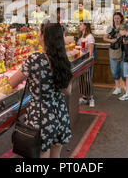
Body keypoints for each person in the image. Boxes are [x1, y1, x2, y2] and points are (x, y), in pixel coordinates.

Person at [9, 22, 72, 158]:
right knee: (56, 152)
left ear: (45, 37)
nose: (38, 35)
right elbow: (67, 91)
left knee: (42, 153)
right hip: (59, 112)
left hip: (41, 114)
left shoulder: (35, 59)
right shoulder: (63, 59)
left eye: (39, 32)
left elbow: (12, 82)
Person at [103, 12, 125, 95]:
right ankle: (118, 87)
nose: (116, 20)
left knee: (123, 70)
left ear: (121, 19)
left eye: (118, 18)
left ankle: (126, 87)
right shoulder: (110, 27)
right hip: (113, 50)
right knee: (114, 70)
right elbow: (104, 38)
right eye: (115, 18)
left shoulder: (124, 27)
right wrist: (111, 40)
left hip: (123, 50)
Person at [77, 21, 96, 107]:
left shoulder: (90, 37)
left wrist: (87, 62)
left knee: (88, 79)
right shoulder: (81, 36)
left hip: (87, 60)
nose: (79, 26)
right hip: (81, 60)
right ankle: (84, 97)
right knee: (82, 79)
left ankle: (91, 98)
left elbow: (90, 52)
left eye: (81, 24)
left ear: (85, 26)